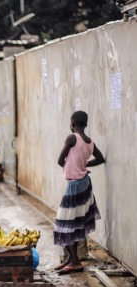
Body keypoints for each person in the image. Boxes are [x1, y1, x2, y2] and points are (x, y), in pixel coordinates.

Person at [54, 111, 105, 275]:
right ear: (86, 124)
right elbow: (100, 158)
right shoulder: (90, 142)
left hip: (74, 186)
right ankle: (71, 258)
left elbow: (60, 160)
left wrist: (70, 165)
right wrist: (84, 165)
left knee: (63, 224)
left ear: (72, 123)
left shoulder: (72, 138)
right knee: (75, 222)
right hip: (85, 184)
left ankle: (75, 261)